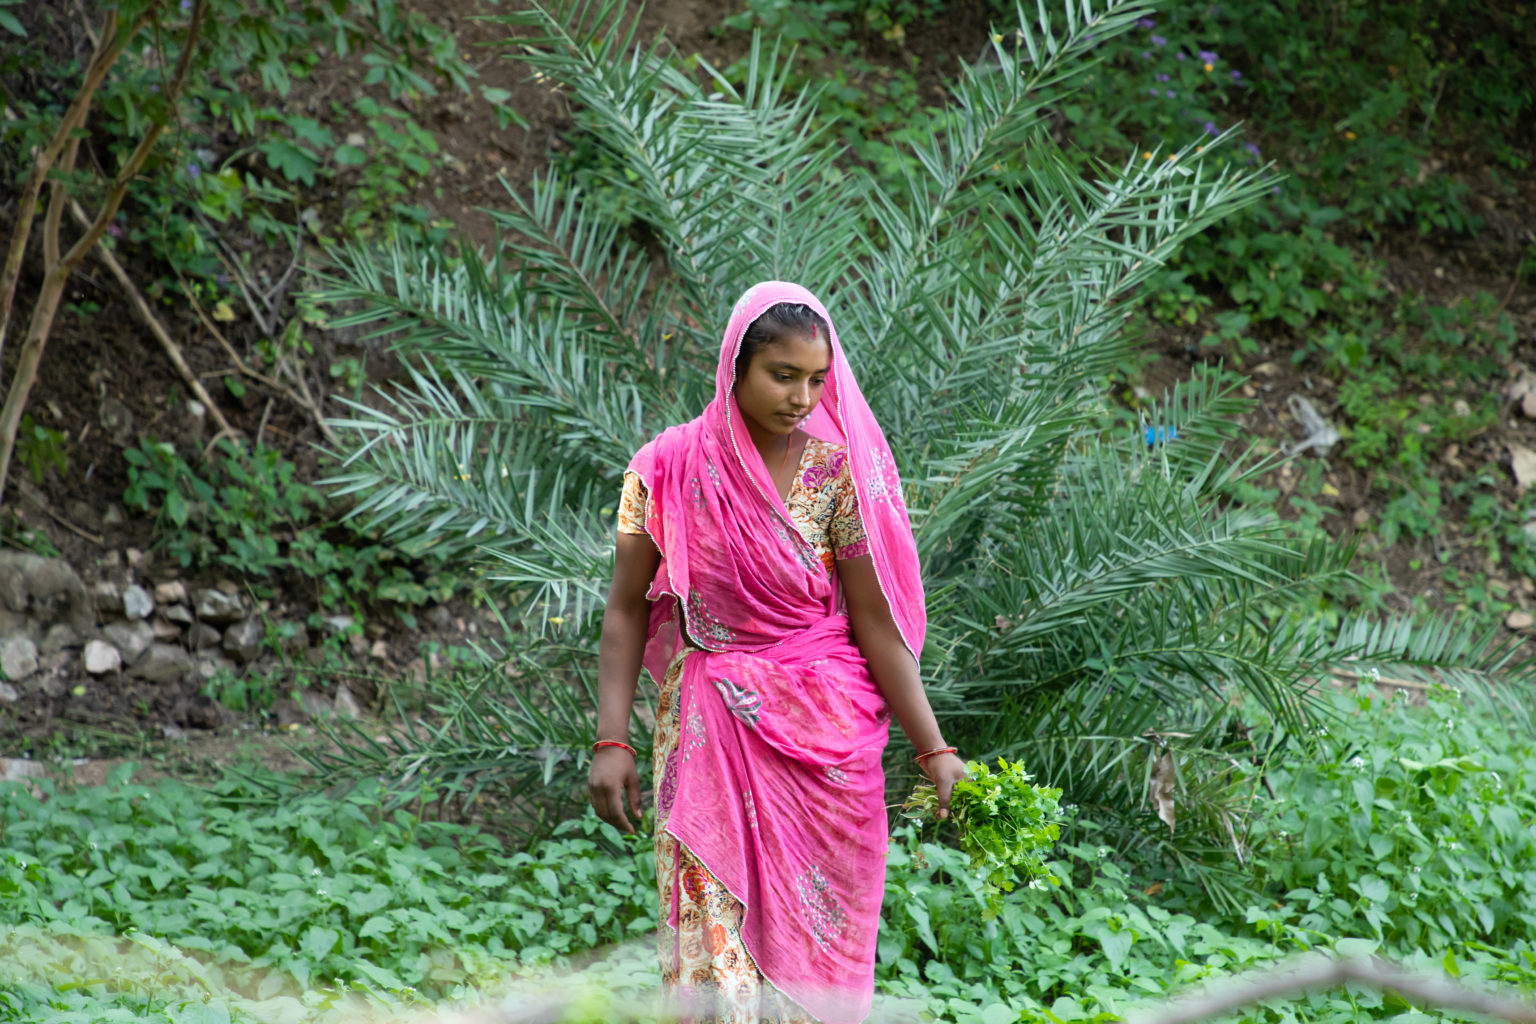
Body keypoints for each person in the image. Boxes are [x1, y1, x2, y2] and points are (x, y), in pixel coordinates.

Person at [590, 281, 966, 1024]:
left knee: (818, 976)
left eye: (817, 378)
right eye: (782, 375)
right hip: (711, 736)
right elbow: (626, 607)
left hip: (828, 744)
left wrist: (935, 749)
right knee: (710, 959)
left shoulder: (836, 477)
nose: (801, 396)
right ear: (736, 365)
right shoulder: (662, 468)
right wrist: (611, 738)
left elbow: (875, 625)